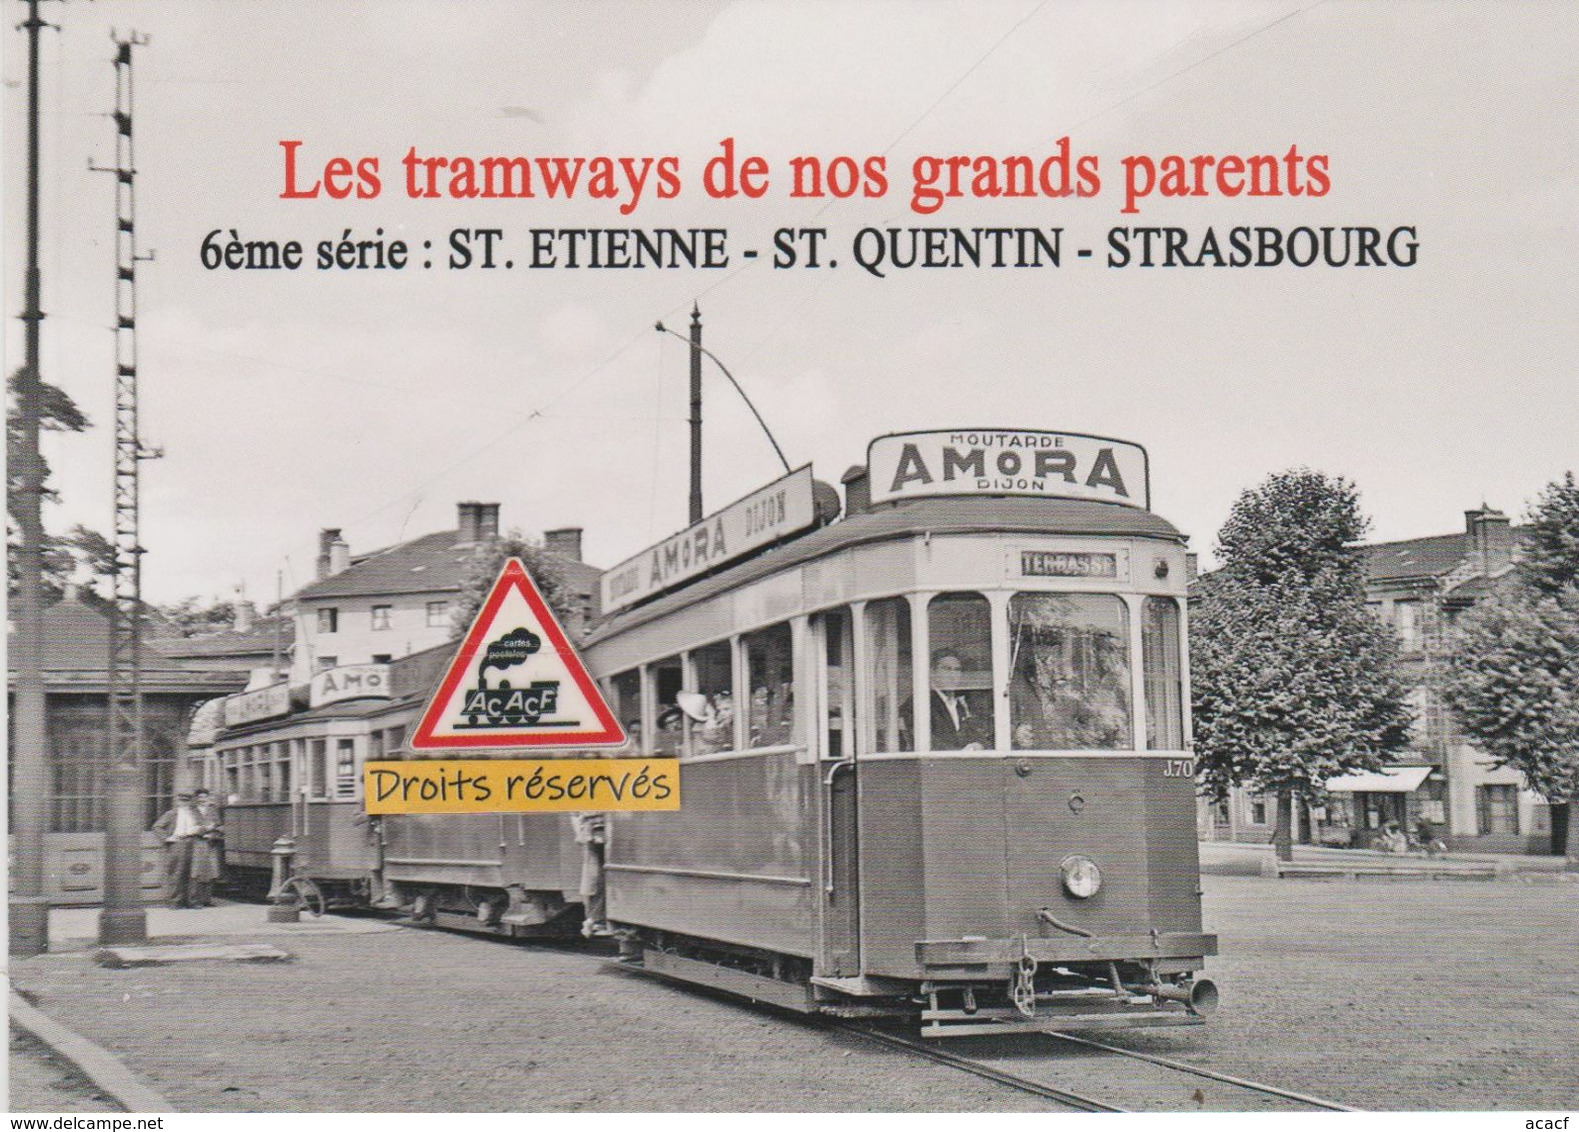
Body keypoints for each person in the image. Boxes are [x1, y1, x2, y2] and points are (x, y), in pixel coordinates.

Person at [928, 650, 991, 751]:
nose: (953, 675)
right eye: (946, 669)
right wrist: (960, 753)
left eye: (957, 670)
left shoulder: (961, 704)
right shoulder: (922, 703)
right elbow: (926, 741)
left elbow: (978, 735)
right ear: (933, 672)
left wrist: (978, 745)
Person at [152, 792, 204, 908]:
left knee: (193, 873)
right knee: (177, 872)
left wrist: (199, 829)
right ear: (178, 802)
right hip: (177, 844)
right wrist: (167, 838)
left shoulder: (196, 814)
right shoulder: (171, 814)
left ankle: (193, 901)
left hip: (194, 843)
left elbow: (203, 827)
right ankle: (175, 901)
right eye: (182, 801)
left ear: (190, 802)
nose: (184, 803)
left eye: (187, 801)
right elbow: (157, 826)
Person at [570, 811, 609, 937]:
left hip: (592, 827)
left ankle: (595, 919)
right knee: (598, 875)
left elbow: (574, 814)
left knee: (596, 875)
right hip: (596, 827)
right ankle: (596, 919)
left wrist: (579, 832)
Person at [189, 789, 223, 907]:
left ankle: (207, 900)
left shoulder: (213, 811)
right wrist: (207, 828)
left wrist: (213, 831)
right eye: (200, 797)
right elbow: (191, 828)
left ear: (207, 798)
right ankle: (194, 901)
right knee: (197, 872)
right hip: (197, 844)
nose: (202, 799)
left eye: (204, 797)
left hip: (211, 844)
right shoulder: (192, 811)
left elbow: (219, 826)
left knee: (212, 872)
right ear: (196, 798)